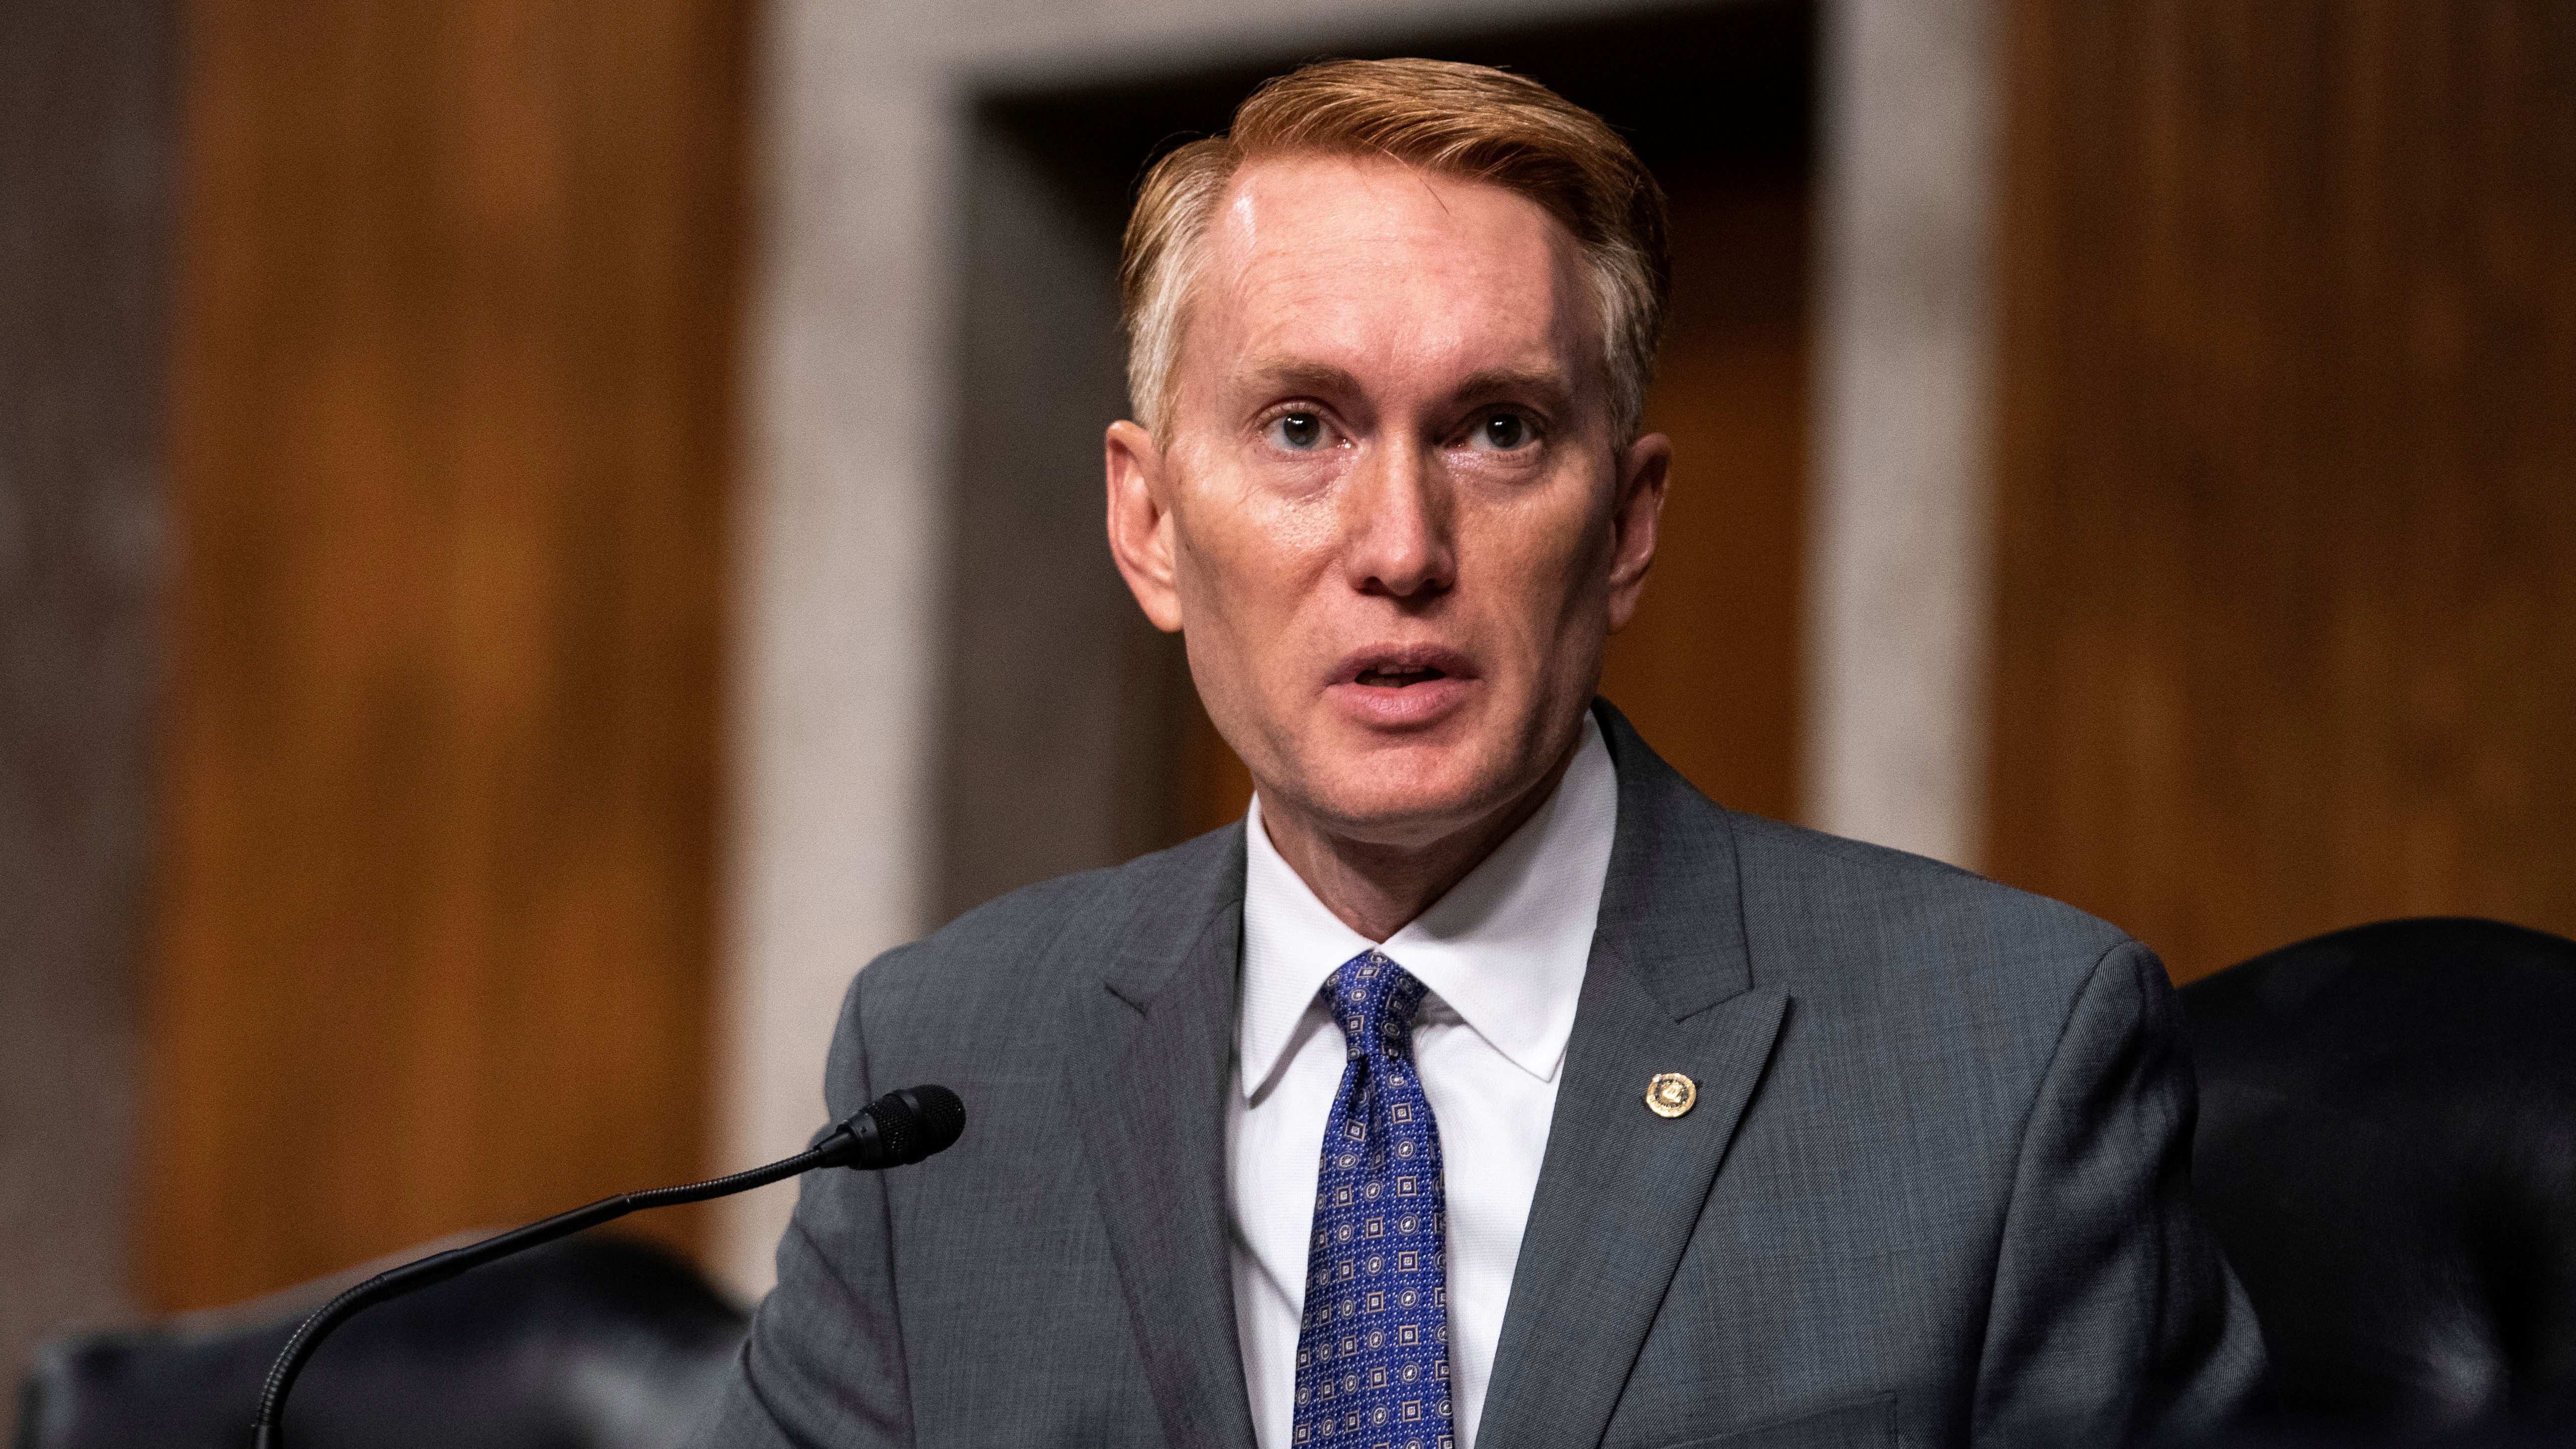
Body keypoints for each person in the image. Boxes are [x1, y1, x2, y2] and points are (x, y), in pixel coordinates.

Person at [697, 58, 2265, 1449]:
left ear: (1629, 526)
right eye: (1303, 426)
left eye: (1497, 428)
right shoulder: (948, 1062)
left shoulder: (1999, 1063)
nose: (1401, 545)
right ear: (1149, 522)